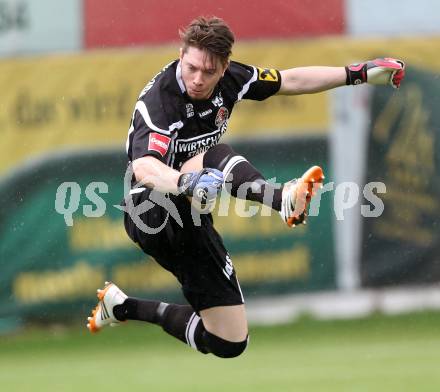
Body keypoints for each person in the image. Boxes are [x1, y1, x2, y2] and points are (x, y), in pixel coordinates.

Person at [86, 16, 405, 358]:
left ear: (223, 68)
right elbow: (144, 167)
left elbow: (290, 80)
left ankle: (122, 307)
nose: (197, 78)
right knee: (215, 155)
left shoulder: (233, 80)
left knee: (229, 342)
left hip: (192, 214)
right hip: (150, 211)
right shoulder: (160, 104)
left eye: (208, 71)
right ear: (181, 55)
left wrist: (356, 74)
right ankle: (281, 197)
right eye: (191, 67)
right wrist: (185, 180)